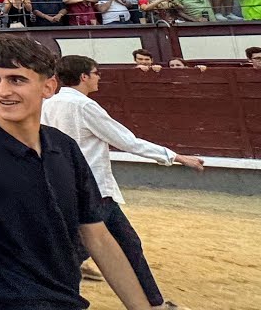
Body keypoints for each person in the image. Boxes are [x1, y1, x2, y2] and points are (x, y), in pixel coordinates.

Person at [0, 37, 157, 310]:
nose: (2, 91)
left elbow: (97, 235)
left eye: (16, 80)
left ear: (48, 87)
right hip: (2, 302)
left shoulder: (64, 147)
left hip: (68, 300)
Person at [42, 55, 204, 310]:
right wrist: (176, 156)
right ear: (84, 76)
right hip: (94, 191)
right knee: (85, 251)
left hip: (65, 187)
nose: (98, 78)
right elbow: (126, 141)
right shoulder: (84, 106)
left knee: (125, 244)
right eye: (95, 73)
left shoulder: (47, 104)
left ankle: (154, 304)